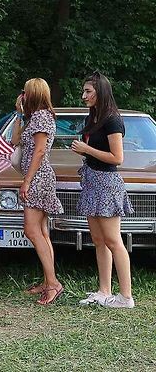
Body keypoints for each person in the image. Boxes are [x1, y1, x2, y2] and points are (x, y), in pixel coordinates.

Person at [71, 72, 134, 308]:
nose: (84, 95)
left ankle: (126, 297)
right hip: (91, 181)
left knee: (113, 240)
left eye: (88, 91)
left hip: (107, 183)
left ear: (101, 92)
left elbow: (116, 157)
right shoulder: (94, 117)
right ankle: (104, 290)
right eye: (84, 91)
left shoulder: (112, 119)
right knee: (98, 239)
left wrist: (87, 149)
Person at [11, 78, 64, 305]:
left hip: (39, 177)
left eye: (25, 92)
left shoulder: (42, 117)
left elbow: (40, 151)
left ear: (33, 94)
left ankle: (53, 284)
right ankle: (48, 280)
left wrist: (27, 181)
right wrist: (18, 114)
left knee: (31, 230)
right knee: (42, 231)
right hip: (37, 177)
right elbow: (15, 140)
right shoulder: (32, 118)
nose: (22, 94)